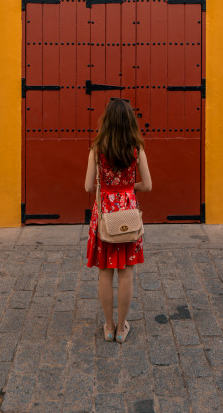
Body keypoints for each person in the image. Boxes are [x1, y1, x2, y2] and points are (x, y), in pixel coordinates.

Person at [85, 98, 152, 344]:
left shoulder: (97, 148)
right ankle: (122, 330)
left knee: (105, 271)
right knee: (126, 272)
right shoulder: (136, 148)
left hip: (104, 213)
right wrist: (126, 187)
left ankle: (109, 326)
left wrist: (109, 188)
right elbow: (147, 185)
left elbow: (86, 185)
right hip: (127, 212)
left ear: (107, 121)